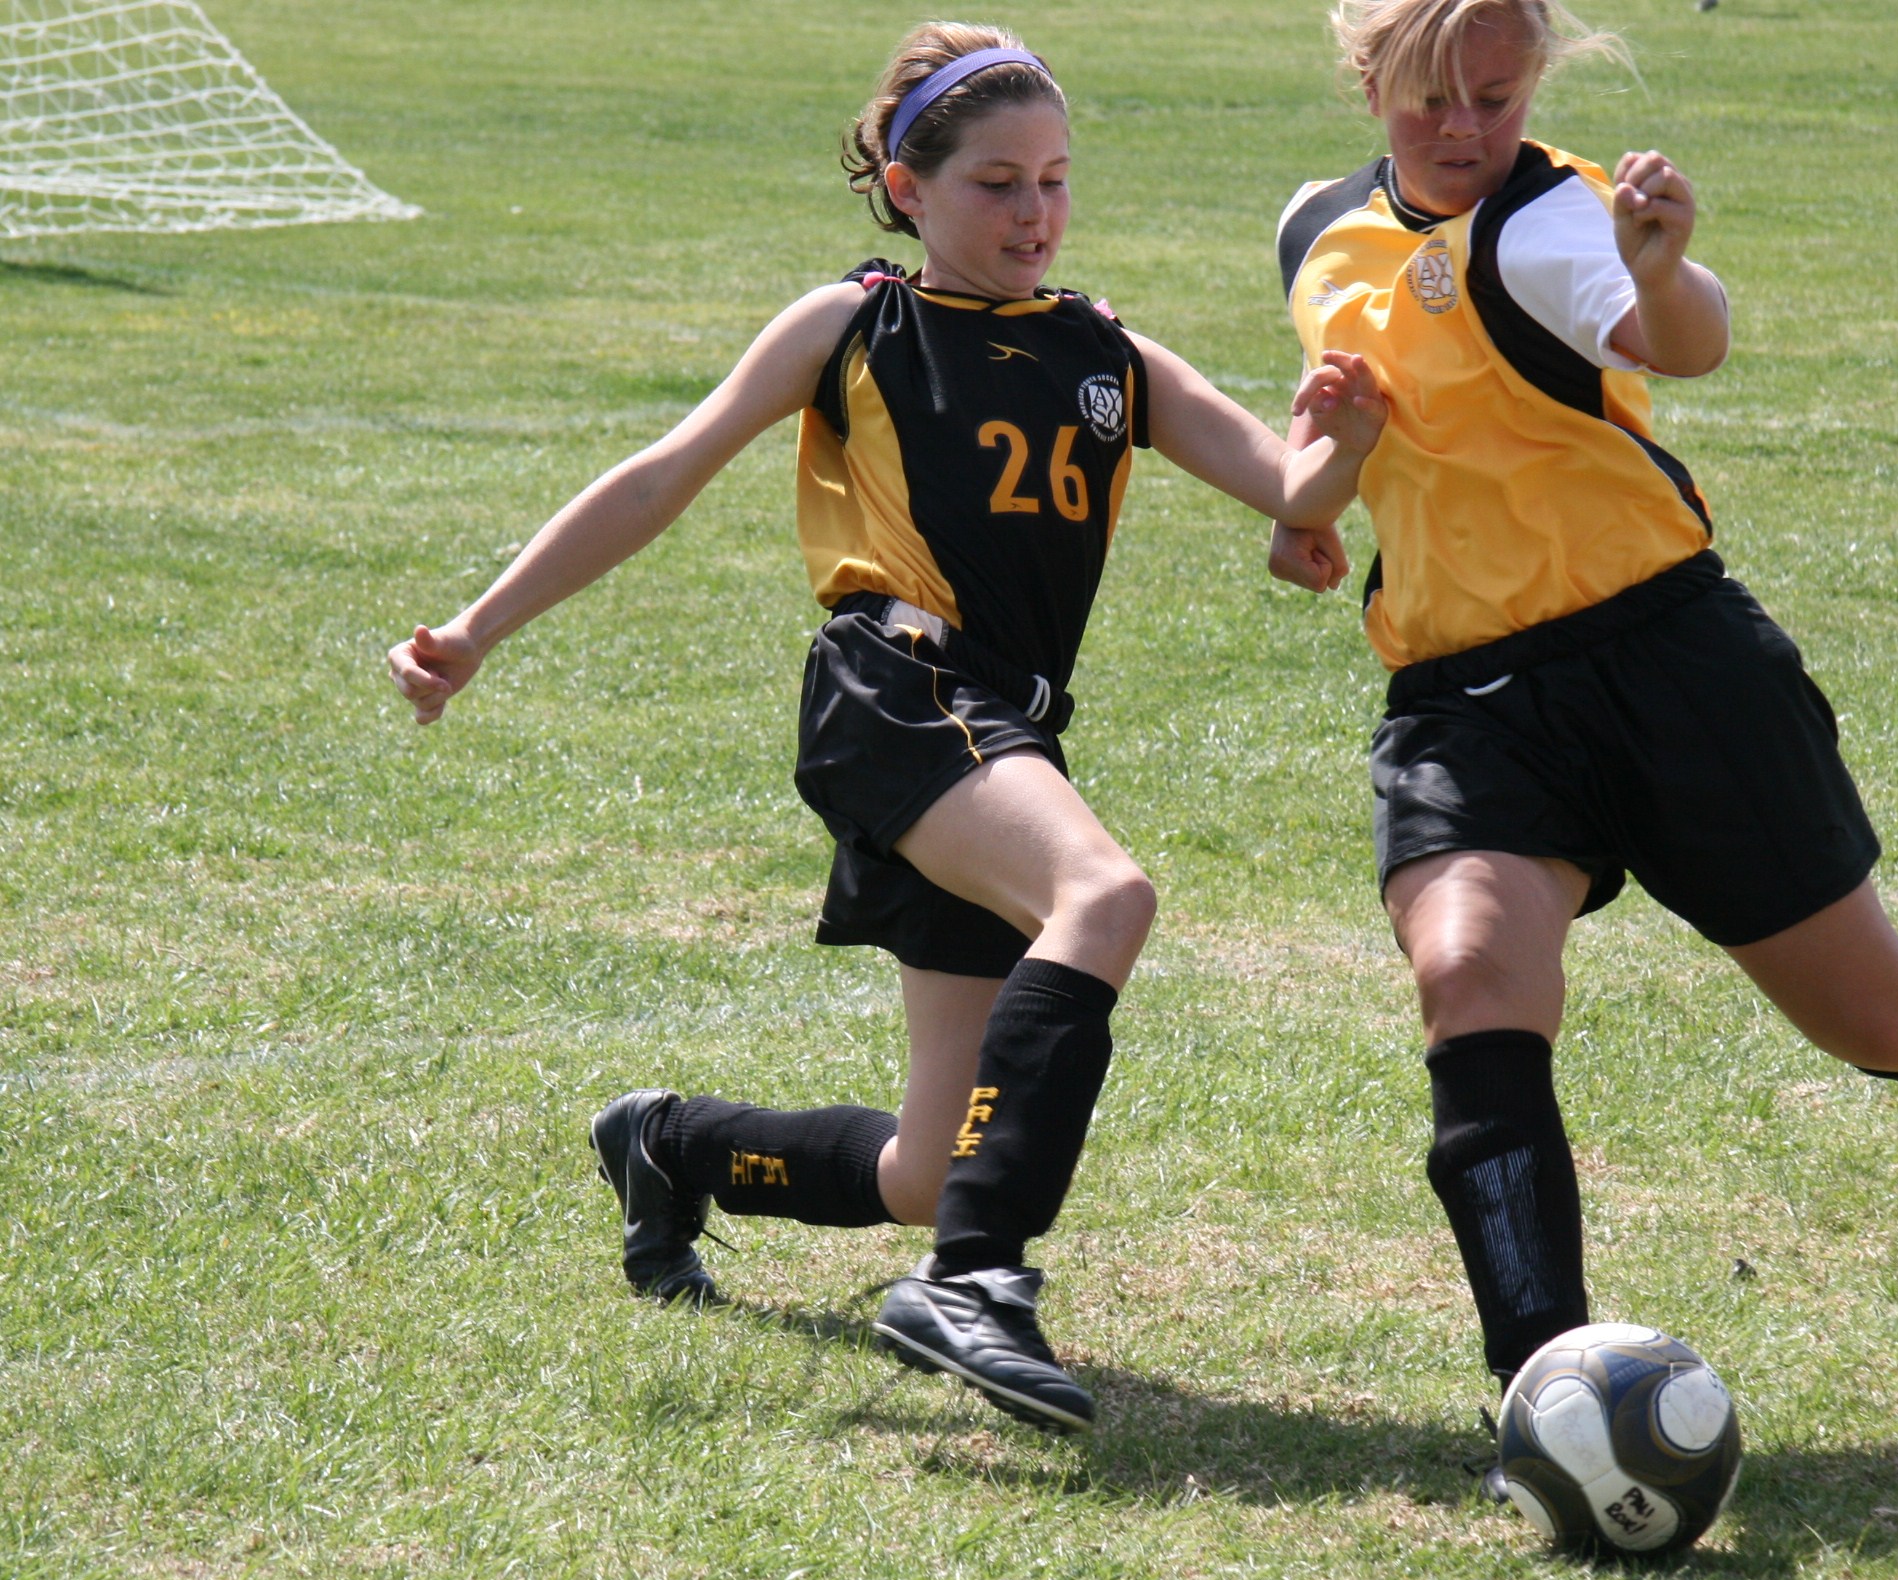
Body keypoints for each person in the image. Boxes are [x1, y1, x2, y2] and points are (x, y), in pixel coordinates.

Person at [387, 22, 1384, 1434]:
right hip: (898, 690)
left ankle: (669, 1146)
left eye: (1052, 180)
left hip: (1000, 732)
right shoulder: (854, 326)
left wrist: (1344, 425)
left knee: (928, 1160)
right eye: (994, 183)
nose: (1033, 213)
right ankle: (973, 1280)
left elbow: (1296, 491)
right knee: (1103, 896)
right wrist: (476, 629)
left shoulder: (1108, 356)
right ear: (909, 190)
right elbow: (656, 479)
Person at [1267, 0, 1898, 1403]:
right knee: (1468, 972)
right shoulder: (1311, 232)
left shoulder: (1554, 222)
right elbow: (1337, 451)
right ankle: (1542, 1388)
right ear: (1366, 80)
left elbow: (1674, 343)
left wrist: (1663, 270)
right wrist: (1313, 498)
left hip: (1668, 664)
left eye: (1496, 98)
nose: (1463, 131)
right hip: (1463, 695)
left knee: (1878, 1026)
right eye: (1428, 102)